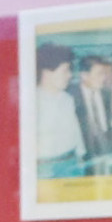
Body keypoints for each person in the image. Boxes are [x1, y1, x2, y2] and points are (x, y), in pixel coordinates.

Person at [31, 46, 85, 176]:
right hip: (45, 168)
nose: (70, 75)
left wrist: (81, 155)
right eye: (65, 70)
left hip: (72, 162)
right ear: (47, 73)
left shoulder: (67, 99)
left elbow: (75, 130)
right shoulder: (32, 102)